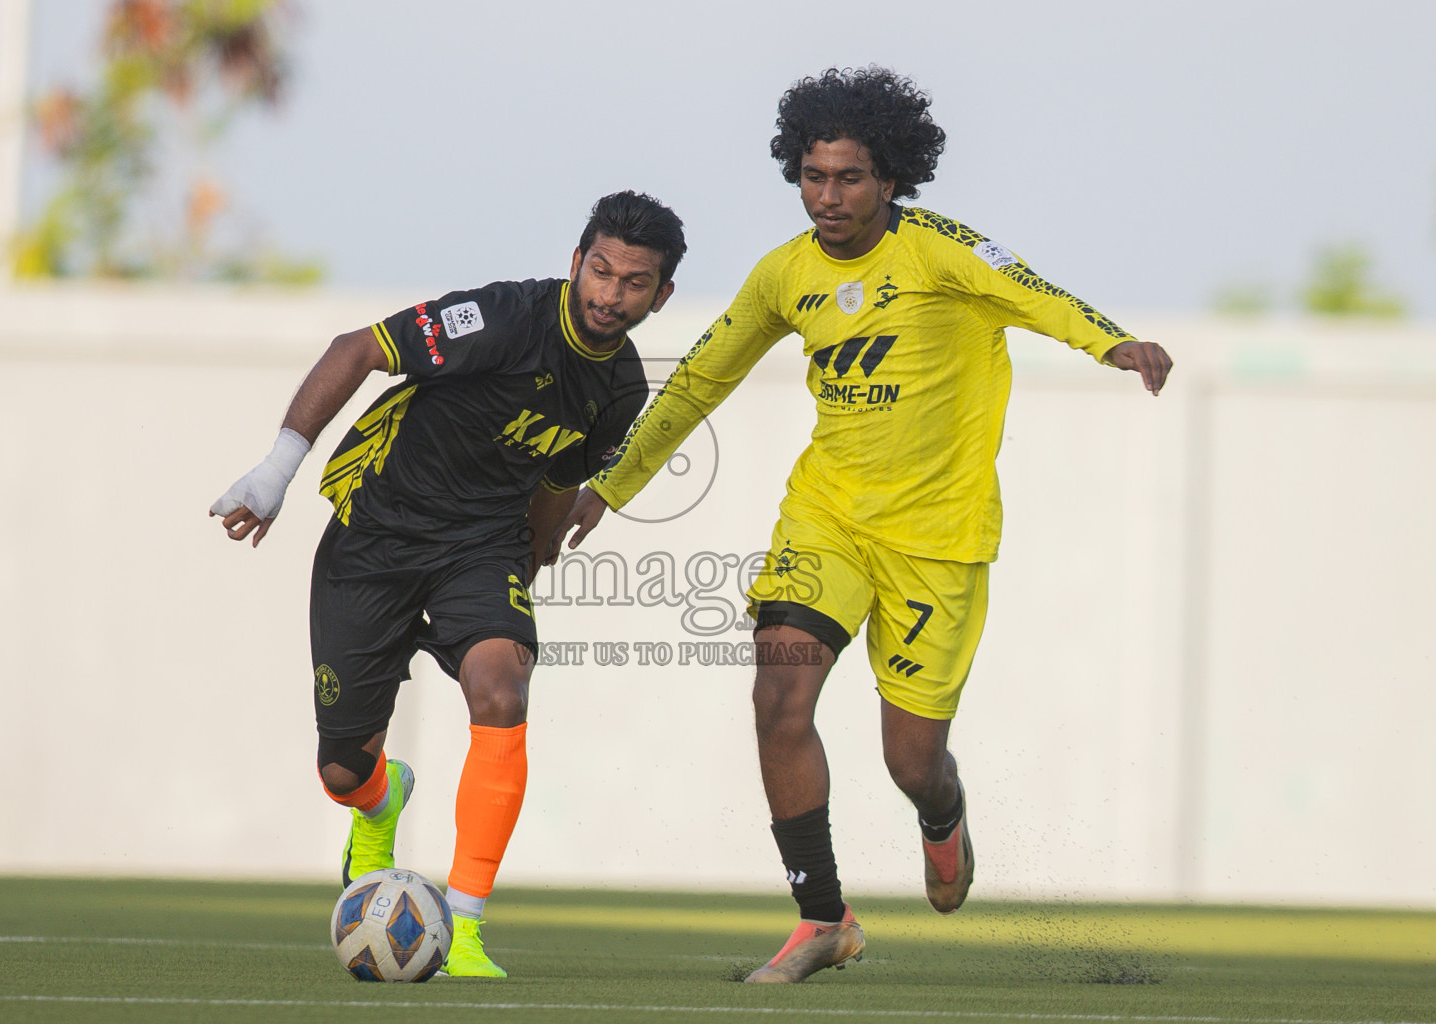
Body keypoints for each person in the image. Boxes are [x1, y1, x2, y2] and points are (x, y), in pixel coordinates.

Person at [553, 68, 1172, 983]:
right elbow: (699, 381)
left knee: (910, 758)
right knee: (778, 693)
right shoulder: (785, 274)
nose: (827, 196)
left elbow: (1034, 291)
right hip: (828, 519)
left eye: (847, 178)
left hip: (938, 537)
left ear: (890, 179)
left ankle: (941, 815)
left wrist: (1111, 341)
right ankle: (822, 918)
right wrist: (610, 484)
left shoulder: (942, 252)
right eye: (812, 175)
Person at [211, 191, 683, 978]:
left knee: (503, 687)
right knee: (341, 771)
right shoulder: (502, 318)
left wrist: (523, 576)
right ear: (575, 264)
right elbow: (356, 348)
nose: (611, 294)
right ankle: (379, 799)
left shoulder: (620, 388)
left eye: (635, 282)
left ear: (660, 295)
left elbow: (558, 478)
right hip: (377, 532)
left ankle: (462, 929)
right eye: (600, 271)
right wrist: (274, 473)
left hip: (482, 546)